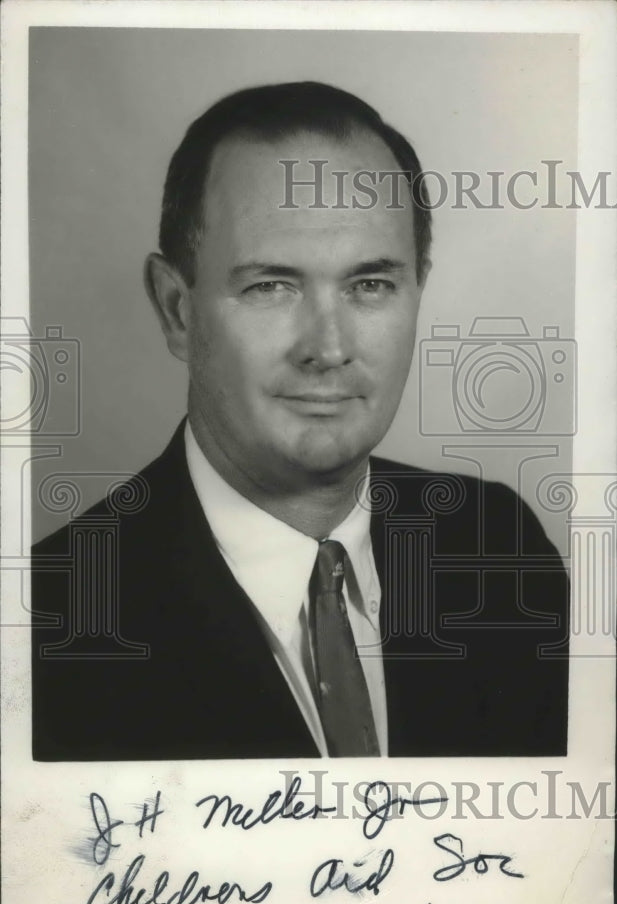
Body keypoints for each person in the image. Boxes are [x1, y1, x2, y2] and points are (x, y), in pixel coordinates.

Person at [31, 82, 568, 761]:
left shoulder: (496, 547)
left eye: (369, 285)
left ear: (416, 291)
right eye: (270, 287)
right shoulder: (41, 621)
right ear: (177, 309)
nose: (329, 347)